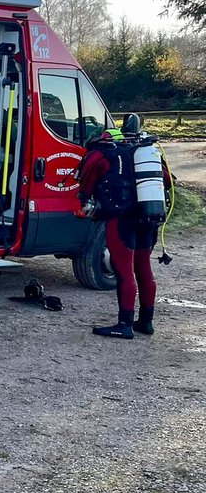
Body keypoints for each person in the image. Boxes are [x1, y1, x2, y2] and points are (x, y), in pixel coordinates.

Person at [78, 125, 172, 339]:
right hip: (148, 217)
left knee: (123, 270)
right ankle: (146, 322)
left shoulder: (104, 154)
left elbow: (85, 183)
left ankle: (124, 324)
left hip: (121, 219)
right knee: (144, 269)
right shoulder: (147, 153)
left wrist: (85, 200)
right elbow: (166, 180)